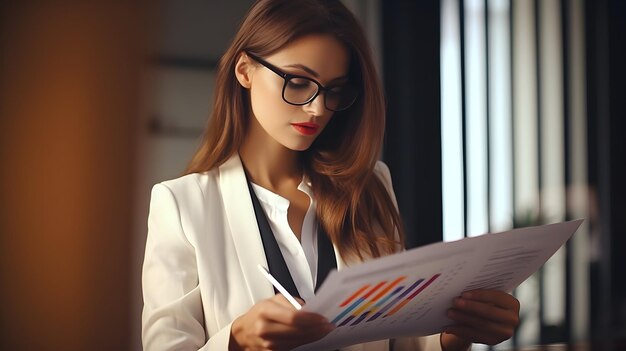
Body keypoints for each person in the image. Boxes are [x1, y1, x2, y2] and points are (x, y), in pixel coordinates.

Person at [141, 0, 520, 350]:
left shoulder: (369, 185)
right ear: (245, 70)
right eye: (298, 82)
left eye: (334, 90)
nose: (318, 108)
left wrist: (452, 336)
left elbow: (398, 338)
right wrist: (236, 340)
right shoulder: (181, 204)